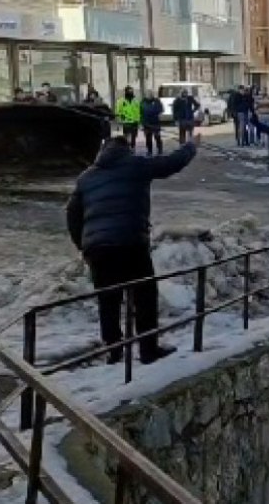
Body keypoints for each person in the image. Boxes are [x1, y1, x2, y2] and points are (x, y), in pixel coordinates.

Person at [65, 134, 199, 365]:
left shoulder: (86, 177)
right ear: (126, 149)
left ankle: (114, 351)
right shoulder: (136, 165)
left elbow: (72, 215)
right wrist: (191, 146)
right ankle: (148, 349)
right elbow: (170, 164)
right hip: (130, 242)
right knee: (144, 295)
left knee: (108, 300)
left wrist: (84, 245)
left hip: (98, 249)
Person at [115, 86, 141, 151]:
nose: (130, 92)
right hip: (125, 123)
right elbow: (117, 111)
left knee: (133, 138)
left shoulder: (136, 101)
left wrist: (138, 121)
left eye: (131, 91)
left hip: (134, 123)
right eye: (129, 91)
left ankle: (132, 150)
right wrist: (120, 117)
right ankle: (125, 150)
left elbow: (139, 111)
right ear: (126, 92)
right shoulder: (120, 101)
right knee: (125, 138)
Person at [140, 89, 164, 157]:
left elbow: (161, 109)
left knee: (157, 137)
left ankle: (160, 150)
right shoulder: (143, 102)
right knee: (148, 138)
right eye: (148, 94)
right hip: (146, 123)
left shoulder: (157, 101)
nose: (149, 95)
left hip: (155, 122)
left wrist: (154, 112)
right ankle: (149, 150)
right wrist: (141, 122)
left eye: (150, 94)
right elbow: (140, 112)